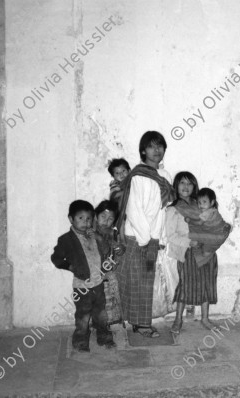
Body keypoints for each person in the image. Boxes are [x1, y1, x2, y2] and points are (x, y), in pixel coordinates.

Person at [114, 131, 175, 338]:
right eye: (151, 146)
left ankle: (140, 322)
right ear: (143, 150)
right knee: (136, 281)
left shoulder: (165, 176)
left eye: (160, 146)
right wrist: (145, 240)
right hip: (137, 238)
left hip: (153, 238)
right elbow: (134, 209)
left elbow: (163, 210)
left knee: (146, 281)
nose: (156, 150)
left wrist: (159, 238)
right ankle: (140, 325)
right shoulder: (138, 176)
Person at [166, 172, 231, 335]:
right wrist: (190, 242)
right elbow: (171, 236)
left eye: (189, 183)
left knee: (206, 284)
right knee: (185, 285)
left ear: (194, 186)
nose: (185, 187)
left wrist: (217, 234)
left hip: (207, 250)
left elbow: (214, 222)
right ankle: (178, 319)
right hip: (188, 252)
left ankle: (205, 318)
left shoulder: (201, 204)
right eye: (182, 183)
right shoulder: (173, 209)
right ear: (176, 186)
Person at [51, 200, 116, 351]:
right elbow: (56, 258)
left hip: (98, 283)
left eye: (88, 219)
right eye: (80, 218)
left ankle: (104, 337)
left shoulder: (94, 235)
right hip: (82, 286)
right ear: (71, 219)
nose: (85, 223)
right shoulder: (66, 240)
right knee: (83, 316)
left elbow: (106, 251)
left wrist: (99, 238)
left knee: (101, 314)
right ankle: (80, 341)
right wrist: (71, 267)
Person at [93, 200, 125, 326]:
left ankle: (108, 325)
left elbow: (119, 252)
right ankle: (99, 327)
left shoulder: (113, 233)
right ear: (96, 216)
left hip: (109, 274)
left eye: (110, 218)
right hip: (93, 275)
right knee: (96, 302)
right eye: (103, 217)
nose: (106, 221)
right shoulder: (90, 233)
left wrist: (120, 249)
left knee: (109, 301)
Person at [184, 188, 228, 257]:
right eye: (199, 202)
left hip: (217, 235)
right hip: (222, 230)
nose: (201, 205)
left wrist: (189, 221)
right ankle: (202, 244)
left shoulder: (207, 213)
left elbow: (199, 223)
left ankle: (205, 248)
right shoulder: (213, 210)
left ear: (212, 202)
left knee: (205, 254)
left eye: (204, 202)